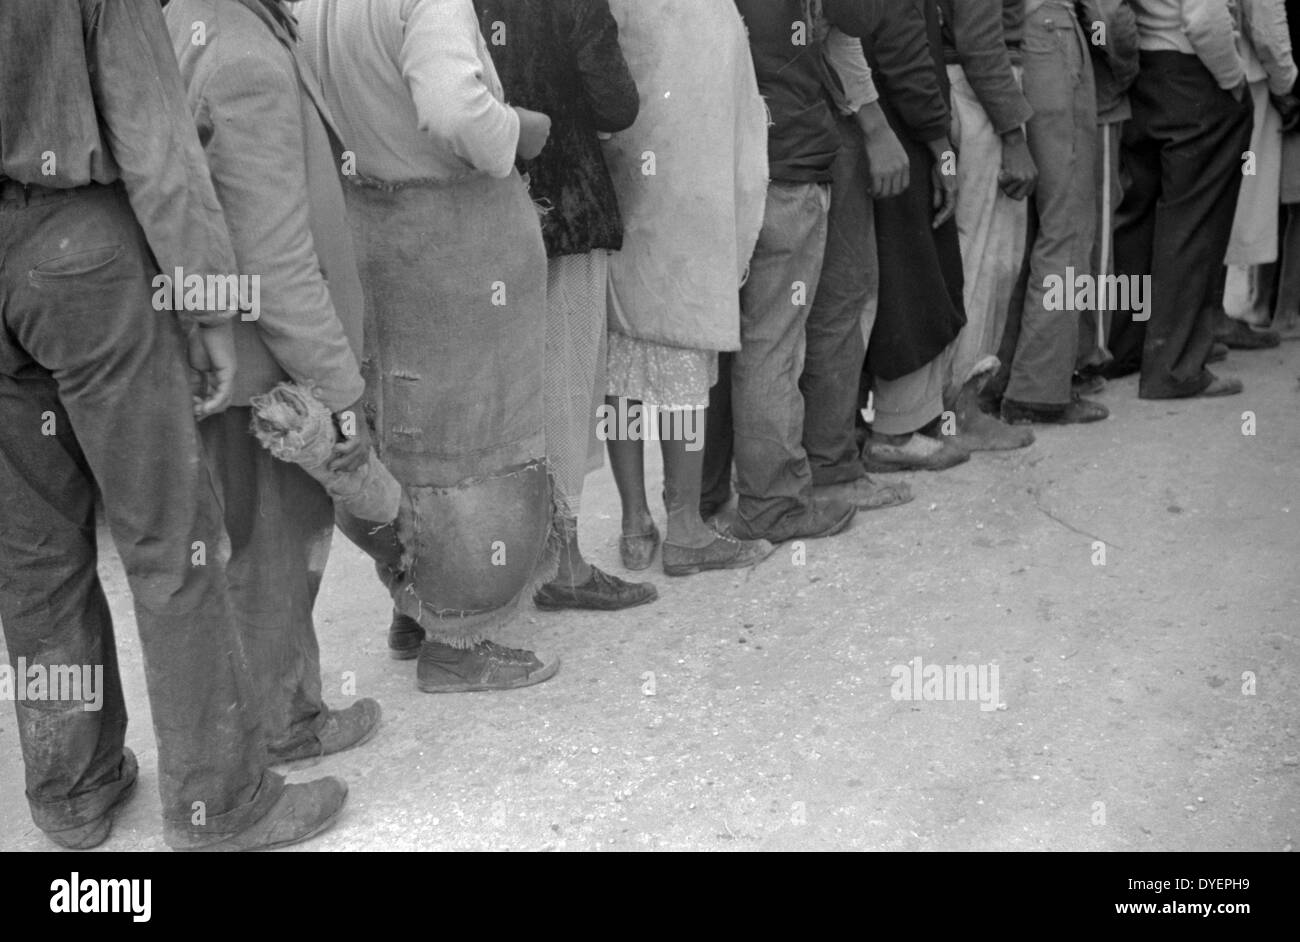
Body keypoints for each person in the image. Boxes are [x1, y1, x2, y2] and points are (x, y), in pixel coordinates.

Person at [0, 0, 345, 850]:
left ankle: (73, 791)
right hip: (77, 252)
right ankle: (219, 804)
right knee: (171, 540)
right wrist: (208, 305)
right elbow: (158, 143)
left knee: (34, 557)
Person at [298, 0, 560, 692]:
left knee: (404, 431)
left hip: (378, 233)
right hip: (455, 246)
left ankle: (415, 605)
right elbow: (454, 112)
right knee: (471, 449)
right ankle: (457, 643)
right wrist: (518, 130)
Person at [165, 0, 382, 761]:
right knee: (276, 554)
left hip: (228, 357)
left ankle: (276, 712)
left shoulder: (195, 23)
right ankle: (284, 722)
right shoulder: (246, 57)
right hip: (267, 370)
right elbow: (277, 264)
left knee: (248, 550)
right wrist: (342, 385)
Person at [474, 0, 657, 607]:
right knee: (567, 382)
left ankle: (441, 586)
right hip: (565, 202)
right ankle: (565, 563)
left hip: (472, 218)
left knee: (485, 399)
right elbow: (616, 101)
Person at [602, 0, 776, 576]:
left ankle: (634, 525)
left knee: (620, 365)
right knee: (681, 356)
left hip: (624, 186)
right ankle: (684, 528)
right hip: (691, 197)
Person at [701, 0, 861, 543]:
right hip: (787, 167)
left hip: (724, 167)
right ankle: (774, 505)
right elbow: (865, 17)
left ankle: (703, 503)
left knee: (725, 342)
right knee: (772, 344)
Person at [1106, 0, 1252, 399]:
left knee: (1137, 221)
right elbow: (1203, 17)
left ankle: (1125, 347)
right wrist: (1232, 76)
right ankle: (1175, 366)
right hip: (1193, 73)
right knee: (1193, 225)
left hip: (1145, 70)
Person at [853, 0, 972, 474]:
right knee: (912, 276)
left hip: (863, 131)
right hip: (900, 138)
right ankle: (897, 432)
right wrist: (941, 145)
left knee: (875, 280)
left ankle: (854, 428)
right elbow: (903, 54)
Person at [991, 0, 1105, 424]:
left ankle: (1003, 379)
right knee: (1067, 222)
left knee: (1031, 221)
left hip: (1014, 37)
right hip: (1049, 30)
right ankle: (1039, 390)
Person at [937, 0, 1041, 452]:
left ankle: (951, 409)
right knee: (985, 262)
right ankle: (961, 411)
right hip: (979, 97)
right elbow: (979, 42)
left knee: (972, 258)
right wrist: (1013, 134)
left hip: (969, 89)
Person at [1215, 0, 1296, 349]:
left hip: (1217, 66)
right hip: (1243, 73)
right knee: (1237, 197)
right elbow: (1264, 20)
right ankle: (1213, 315)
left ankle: (1215, 312)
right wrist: (1287, 85)